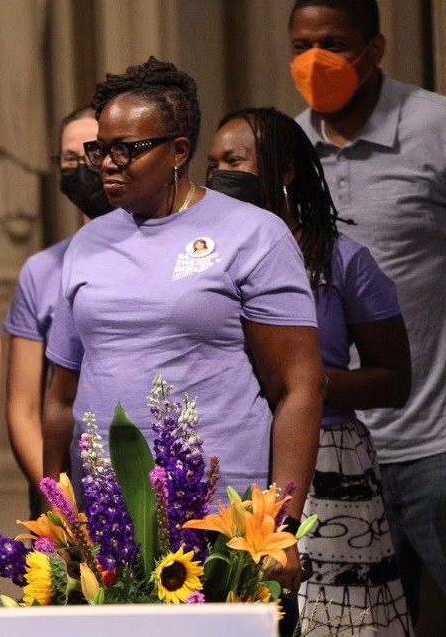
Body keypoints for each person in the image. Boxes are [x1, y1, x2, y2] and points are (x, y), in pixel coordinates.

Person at [40, 58, 324, 600]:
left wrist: (281, 524)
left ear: (177, 151)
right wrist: (56, 514)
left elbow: (298, 386)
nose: (107, 164)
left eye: (128, 148)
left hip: (223, 517)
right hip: (108, 522)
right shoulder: (87, 244)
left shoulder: (252, 234)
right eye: (102, 149)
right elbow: (61, 395)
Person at [289, 0, 446, 619]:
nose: (314, 60)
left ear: (375, 47)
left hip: (442, 439)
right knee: (366, 624)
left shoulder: (443, 130)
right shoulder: (288, 150)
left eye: (333, 43)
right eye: (301, 45)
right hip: (333, 450)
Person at [209, 107, 413, 636]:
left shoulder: (342, 259)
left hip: (327, 459)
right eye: (211, 165)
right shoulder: (206, 259)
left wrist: (303, 381)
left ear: (286, 170)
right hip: (235, 455)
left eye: (233, 161)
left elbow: (393, 377)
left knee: (343, 620)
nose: (218, 176)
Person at [5, 106, 111, 515]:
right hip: (67, 488)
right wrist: (61, 503)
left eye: (93, 154)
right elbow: (25, 409)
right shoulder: (43, 269)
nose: (83, 168)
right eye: (70, 159)